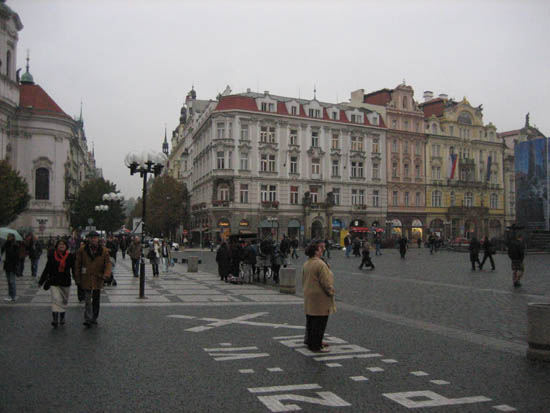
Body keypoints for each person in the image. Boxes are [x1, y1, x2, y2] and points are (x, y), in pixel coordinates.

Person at [302, 240, 335, 353]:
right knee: (319, 323)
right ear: (316, 251)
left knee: (311, 321)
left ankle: (312, 342)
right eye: (320, 249)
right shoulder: (320, 264)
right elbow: (325, 282)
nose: (322, 250)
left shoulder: (307, 263)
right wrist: (331, 291)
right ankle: (316, 345)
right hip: (320, 297)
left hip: (309, 295)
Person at [74, 231, 112, 327]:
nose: (93, 239)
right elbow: (77, 264)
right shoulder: (82, 250)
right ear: (88, 239)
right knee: (87, 300)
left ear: (98, 239)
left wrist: (106, 274)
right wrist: (77, 278)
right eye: (91, 238)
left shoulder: (103, 250)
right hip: (86, 277)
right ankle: (88, 318)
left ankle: (94, 316)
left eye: (95, 238)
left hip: (98, 278)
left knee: (96, 300)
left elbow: (108, 263)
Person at [38, 239, 74, 327]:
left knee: (64, 300)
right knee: (56, 299)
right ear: (56, 246)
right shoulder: (52, 256)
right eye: (60, 244)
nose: (61, 246)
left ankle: (62, 317)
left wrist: (78, 280)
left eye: (63, 244)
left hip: (65, 281)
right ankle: (55, 318)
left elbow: (74, 269)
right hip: (54, 281)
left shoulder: (70, 256)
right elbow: (47, 269)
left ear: (66, 246)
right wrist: (41, 281)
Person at [2, 234, 20, 302]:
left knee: (12, 281)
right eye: (8, 236)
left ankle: (13, 296)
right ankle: (10, 295)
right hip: (7, 266)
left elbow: (16, 256)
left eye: (10, 236)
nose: (8, 237)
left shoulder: (15, 246)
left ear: (13, 237)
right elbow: (2, 252)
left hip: (12, 266)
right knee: (9, 282)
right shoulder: (6, 244)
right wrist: (6, 243)